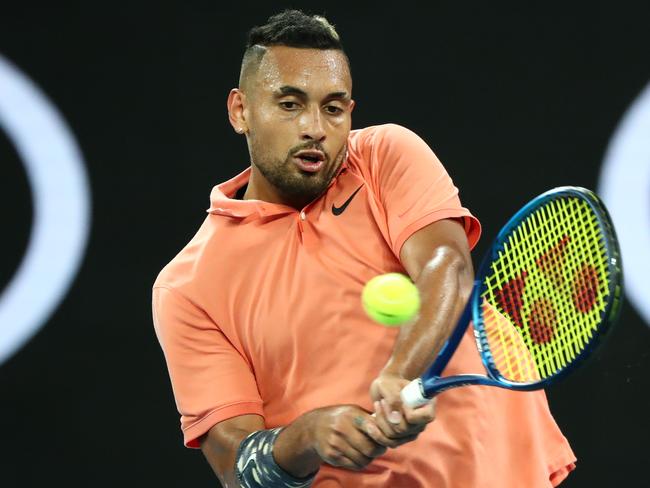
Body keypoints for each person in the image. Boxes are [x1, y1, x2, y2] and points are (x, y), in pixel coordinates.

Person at [152, 9, 576, 487]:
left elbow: (446, 268)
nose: (314, 127)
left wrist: (400, 375)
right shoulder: (187, 287)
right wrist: (308, 436)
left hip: (494, 469)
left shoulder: (386, 154)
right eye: (290, 105)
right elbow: (235, 467)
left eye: (333, 108)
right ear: (240, 110)